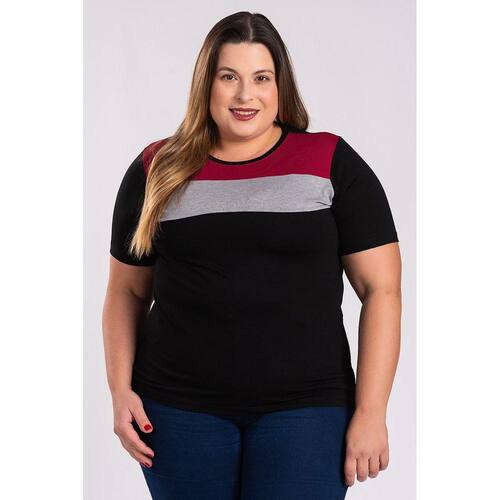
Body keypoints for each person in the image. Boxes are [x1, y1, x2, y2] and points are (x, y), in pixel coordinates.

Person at [102, 11, 402, 500]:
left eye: (261, 78)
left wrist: (372, 412)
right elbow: (126, 292)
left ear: (280, 85)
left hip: (309, 409)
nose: (246, 95)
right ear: (206, 83)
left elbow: (382, 290)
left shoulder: (330, 161)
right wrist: (120, 392)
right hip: (178, 411)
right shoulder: (156, 168)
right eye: (229, 77)